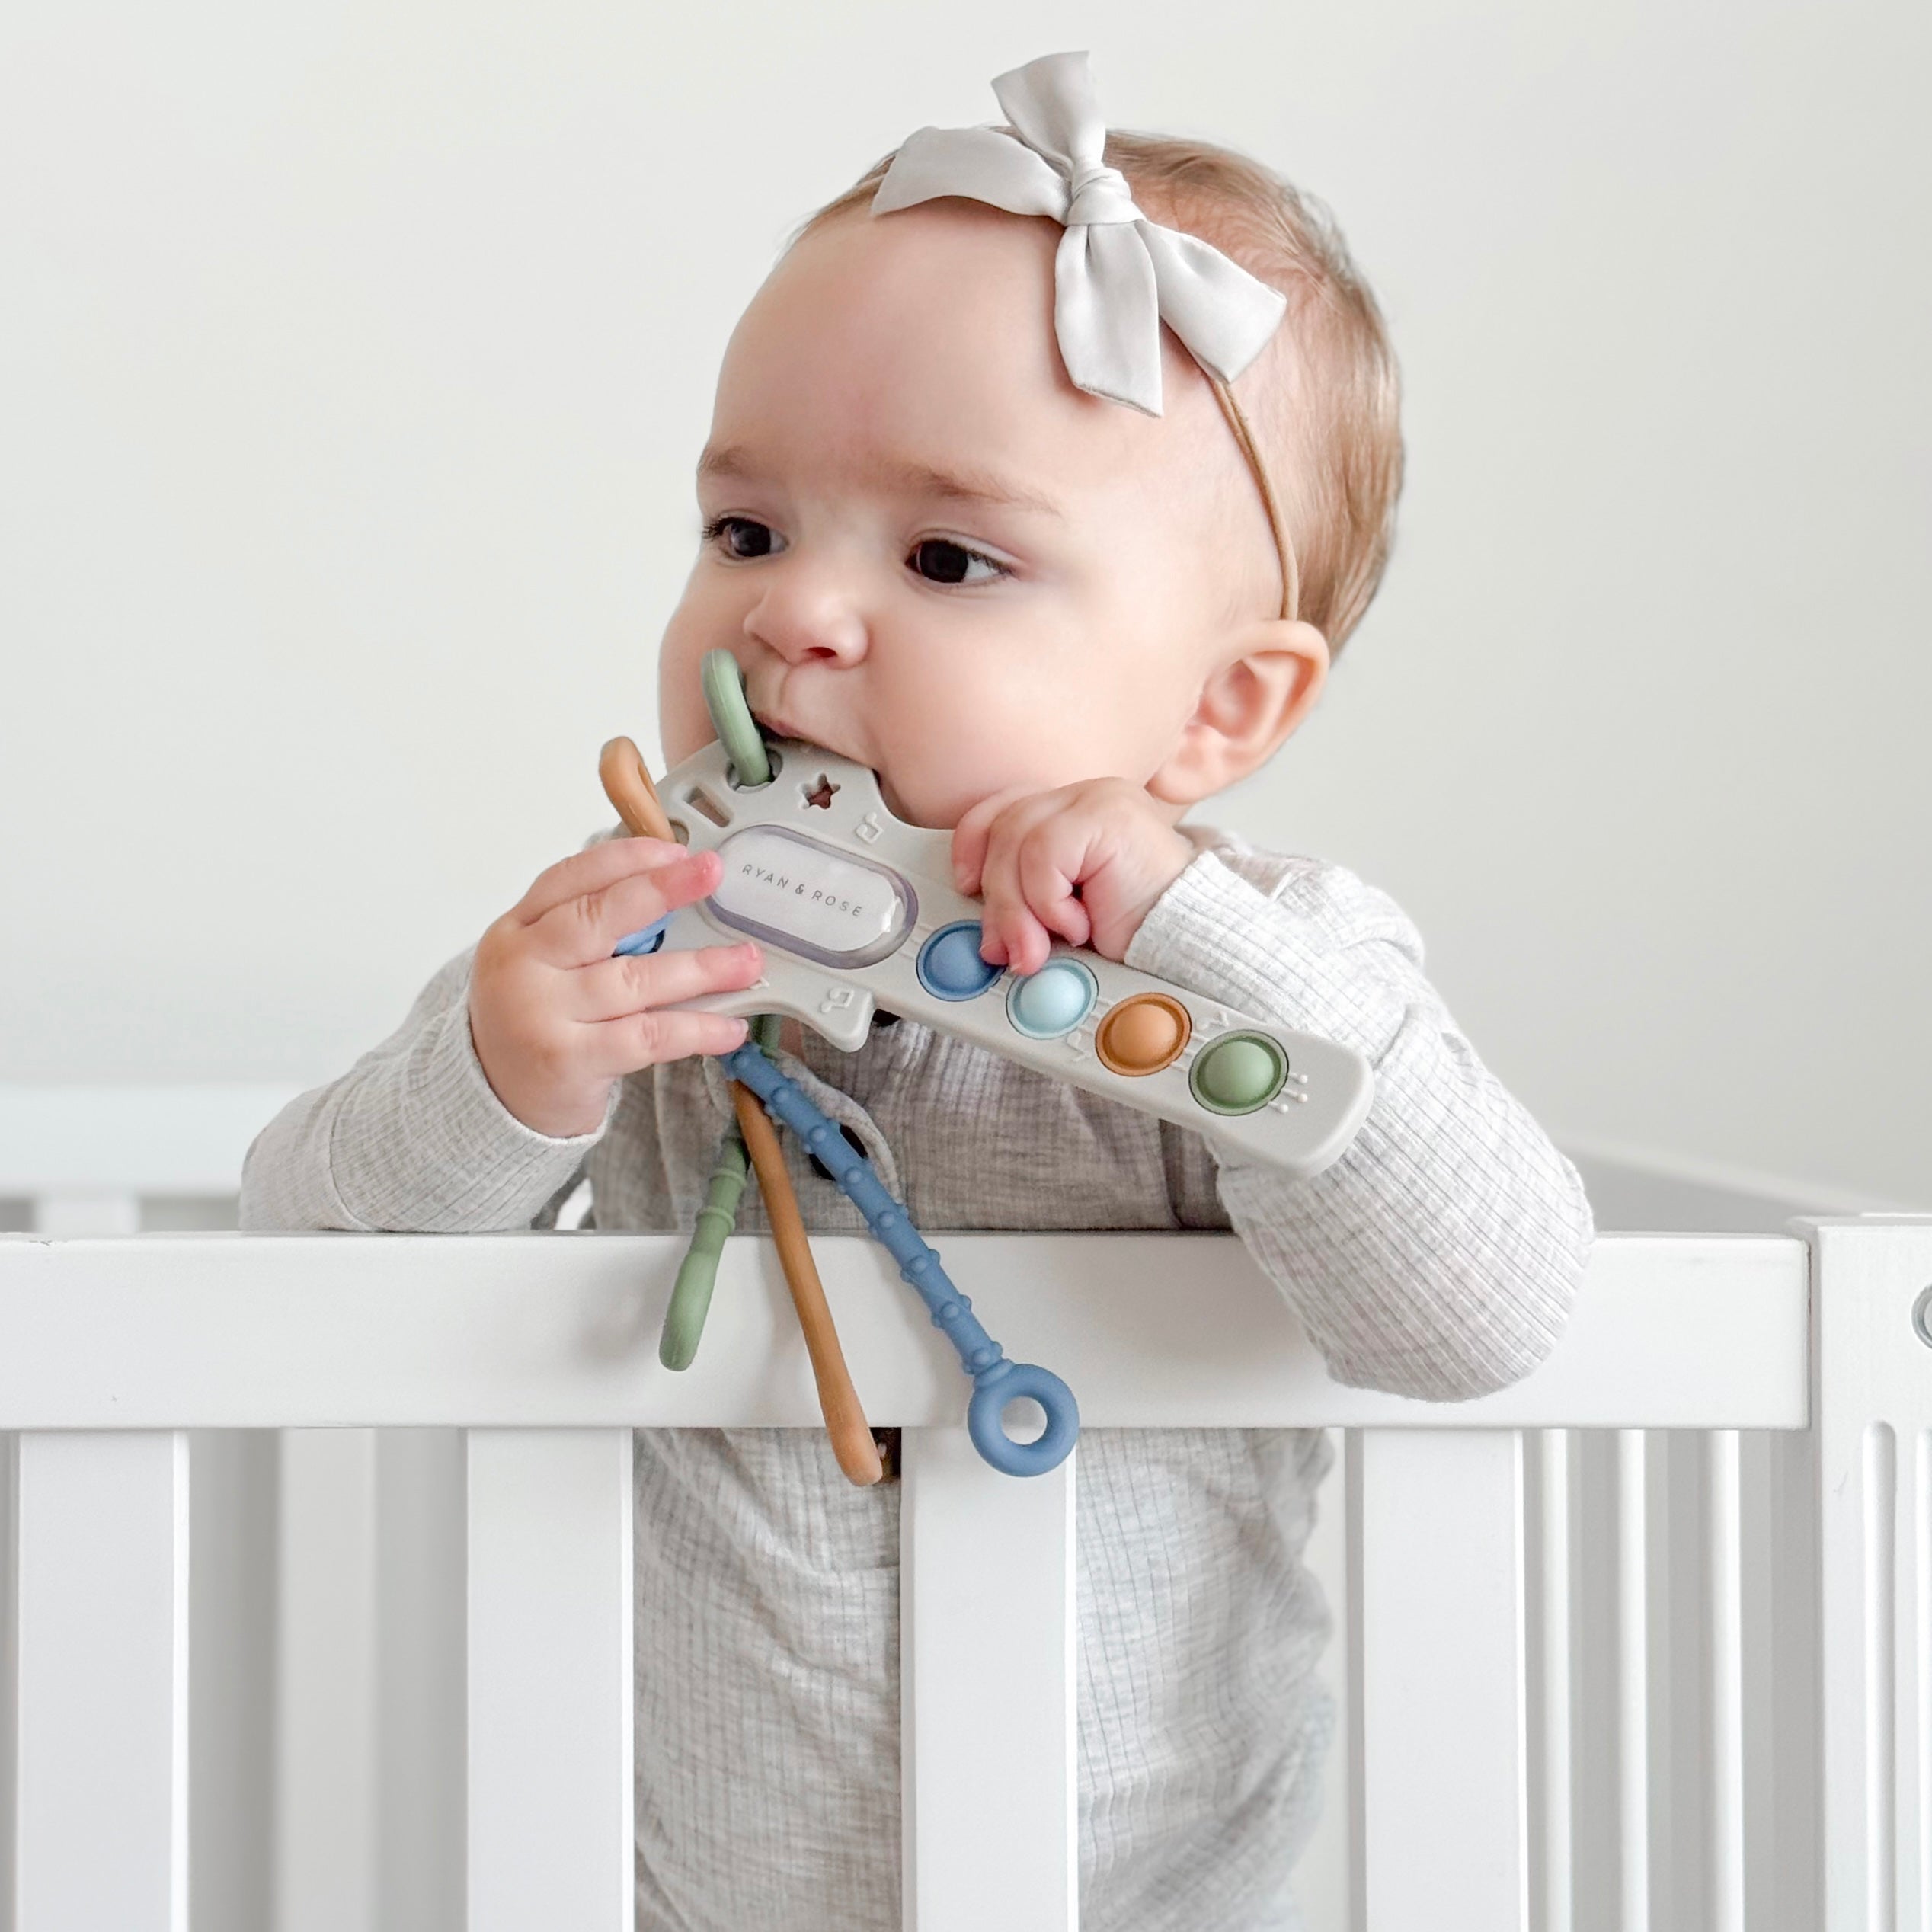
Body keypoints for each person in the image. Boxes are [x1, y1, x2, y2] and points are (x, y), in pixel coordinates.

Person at [242, 51, 1594, 1931]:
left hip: (1145, 1885)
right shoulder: (638, 947)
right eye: (744, 529)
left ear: (1222, 706)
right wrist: (500, 1073)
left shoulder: (1264, 962)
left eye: (949, 555)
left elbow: (1484, 1309)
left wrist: (1189, 931)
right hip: (669, 1878)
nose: (790, 613)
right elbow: (297, 1260)